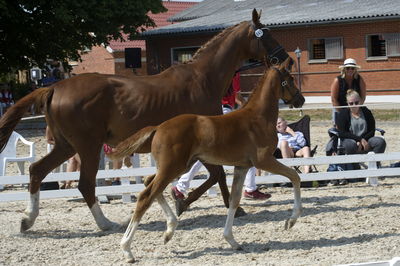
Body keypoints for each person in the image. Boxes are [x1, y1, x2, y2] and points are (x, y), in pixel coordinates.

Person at [171, 73, 271, 201]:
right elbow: (238, 97)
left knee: (205, 152)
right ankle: (250, 189)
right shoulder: (233, 73)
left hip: (215, 112)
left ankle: (181, 187)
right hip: (225, 113)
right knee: (248, 146)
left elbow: (236, 97)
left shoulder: (221, 71)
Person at [329, 89, 386, 156]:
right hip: (351, 140)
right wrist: (359, 140)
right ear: (347, 103)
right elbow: (342, 133)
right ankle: (354, 165)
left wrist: (364, 141)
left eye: (356, 102)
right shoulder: (343, 114)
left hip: (367, 140)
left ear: (360, 102)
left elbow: (372, 129)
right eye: (351, 103)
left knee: (380, 142)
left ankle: (375, 163)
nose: (354, 105)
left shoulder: (366, 112)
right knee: (350, 145)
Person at [330, 58, 366, 124]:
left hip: (355, 109)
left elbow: (363, 96)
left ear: (355, 69)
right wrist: (342, 114)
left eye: (352, 68)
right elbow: (334, 99)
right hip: (339, 109)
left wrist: (356, 109)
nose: (350, 70)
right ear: (344, 69)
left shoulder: (359, 79)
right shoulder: (337, 80)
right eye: (348, 68)